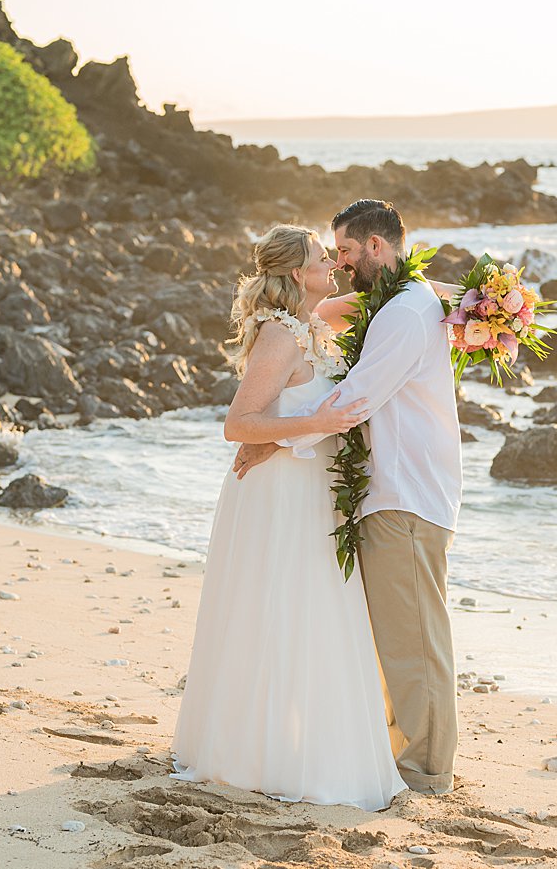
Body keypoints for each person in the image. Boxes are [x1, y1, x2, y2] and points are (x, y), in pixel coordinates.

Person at [169, 223, 406, 811]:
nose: (336, 266)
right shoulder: (280, 335)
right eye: (326, 259)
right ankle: (265, 753)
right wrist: (315, 427)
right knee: (281, 611)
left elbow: (399, 297)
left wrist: (491, 302)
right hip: (278, 497)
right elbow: (238, 425)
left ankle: (301, 744)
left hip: (306, 488)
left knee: (312, 612)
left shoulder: (316, 322)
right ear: (300, 274)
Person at [234, 198, 464, 796]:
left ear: (376, 248)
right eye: (328, 256)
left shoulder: (404, 313)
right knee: (393, 638)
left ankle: (426, 770)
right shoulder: (399, 302)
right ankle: (397, 756)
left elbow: (352, 401)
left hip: (404, 494)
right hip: (387, 492)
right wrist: (471, 300)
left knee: (414, 643)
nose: (339, 264)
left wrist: (275, 437)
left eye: (344, 252)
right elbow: (343, 339)